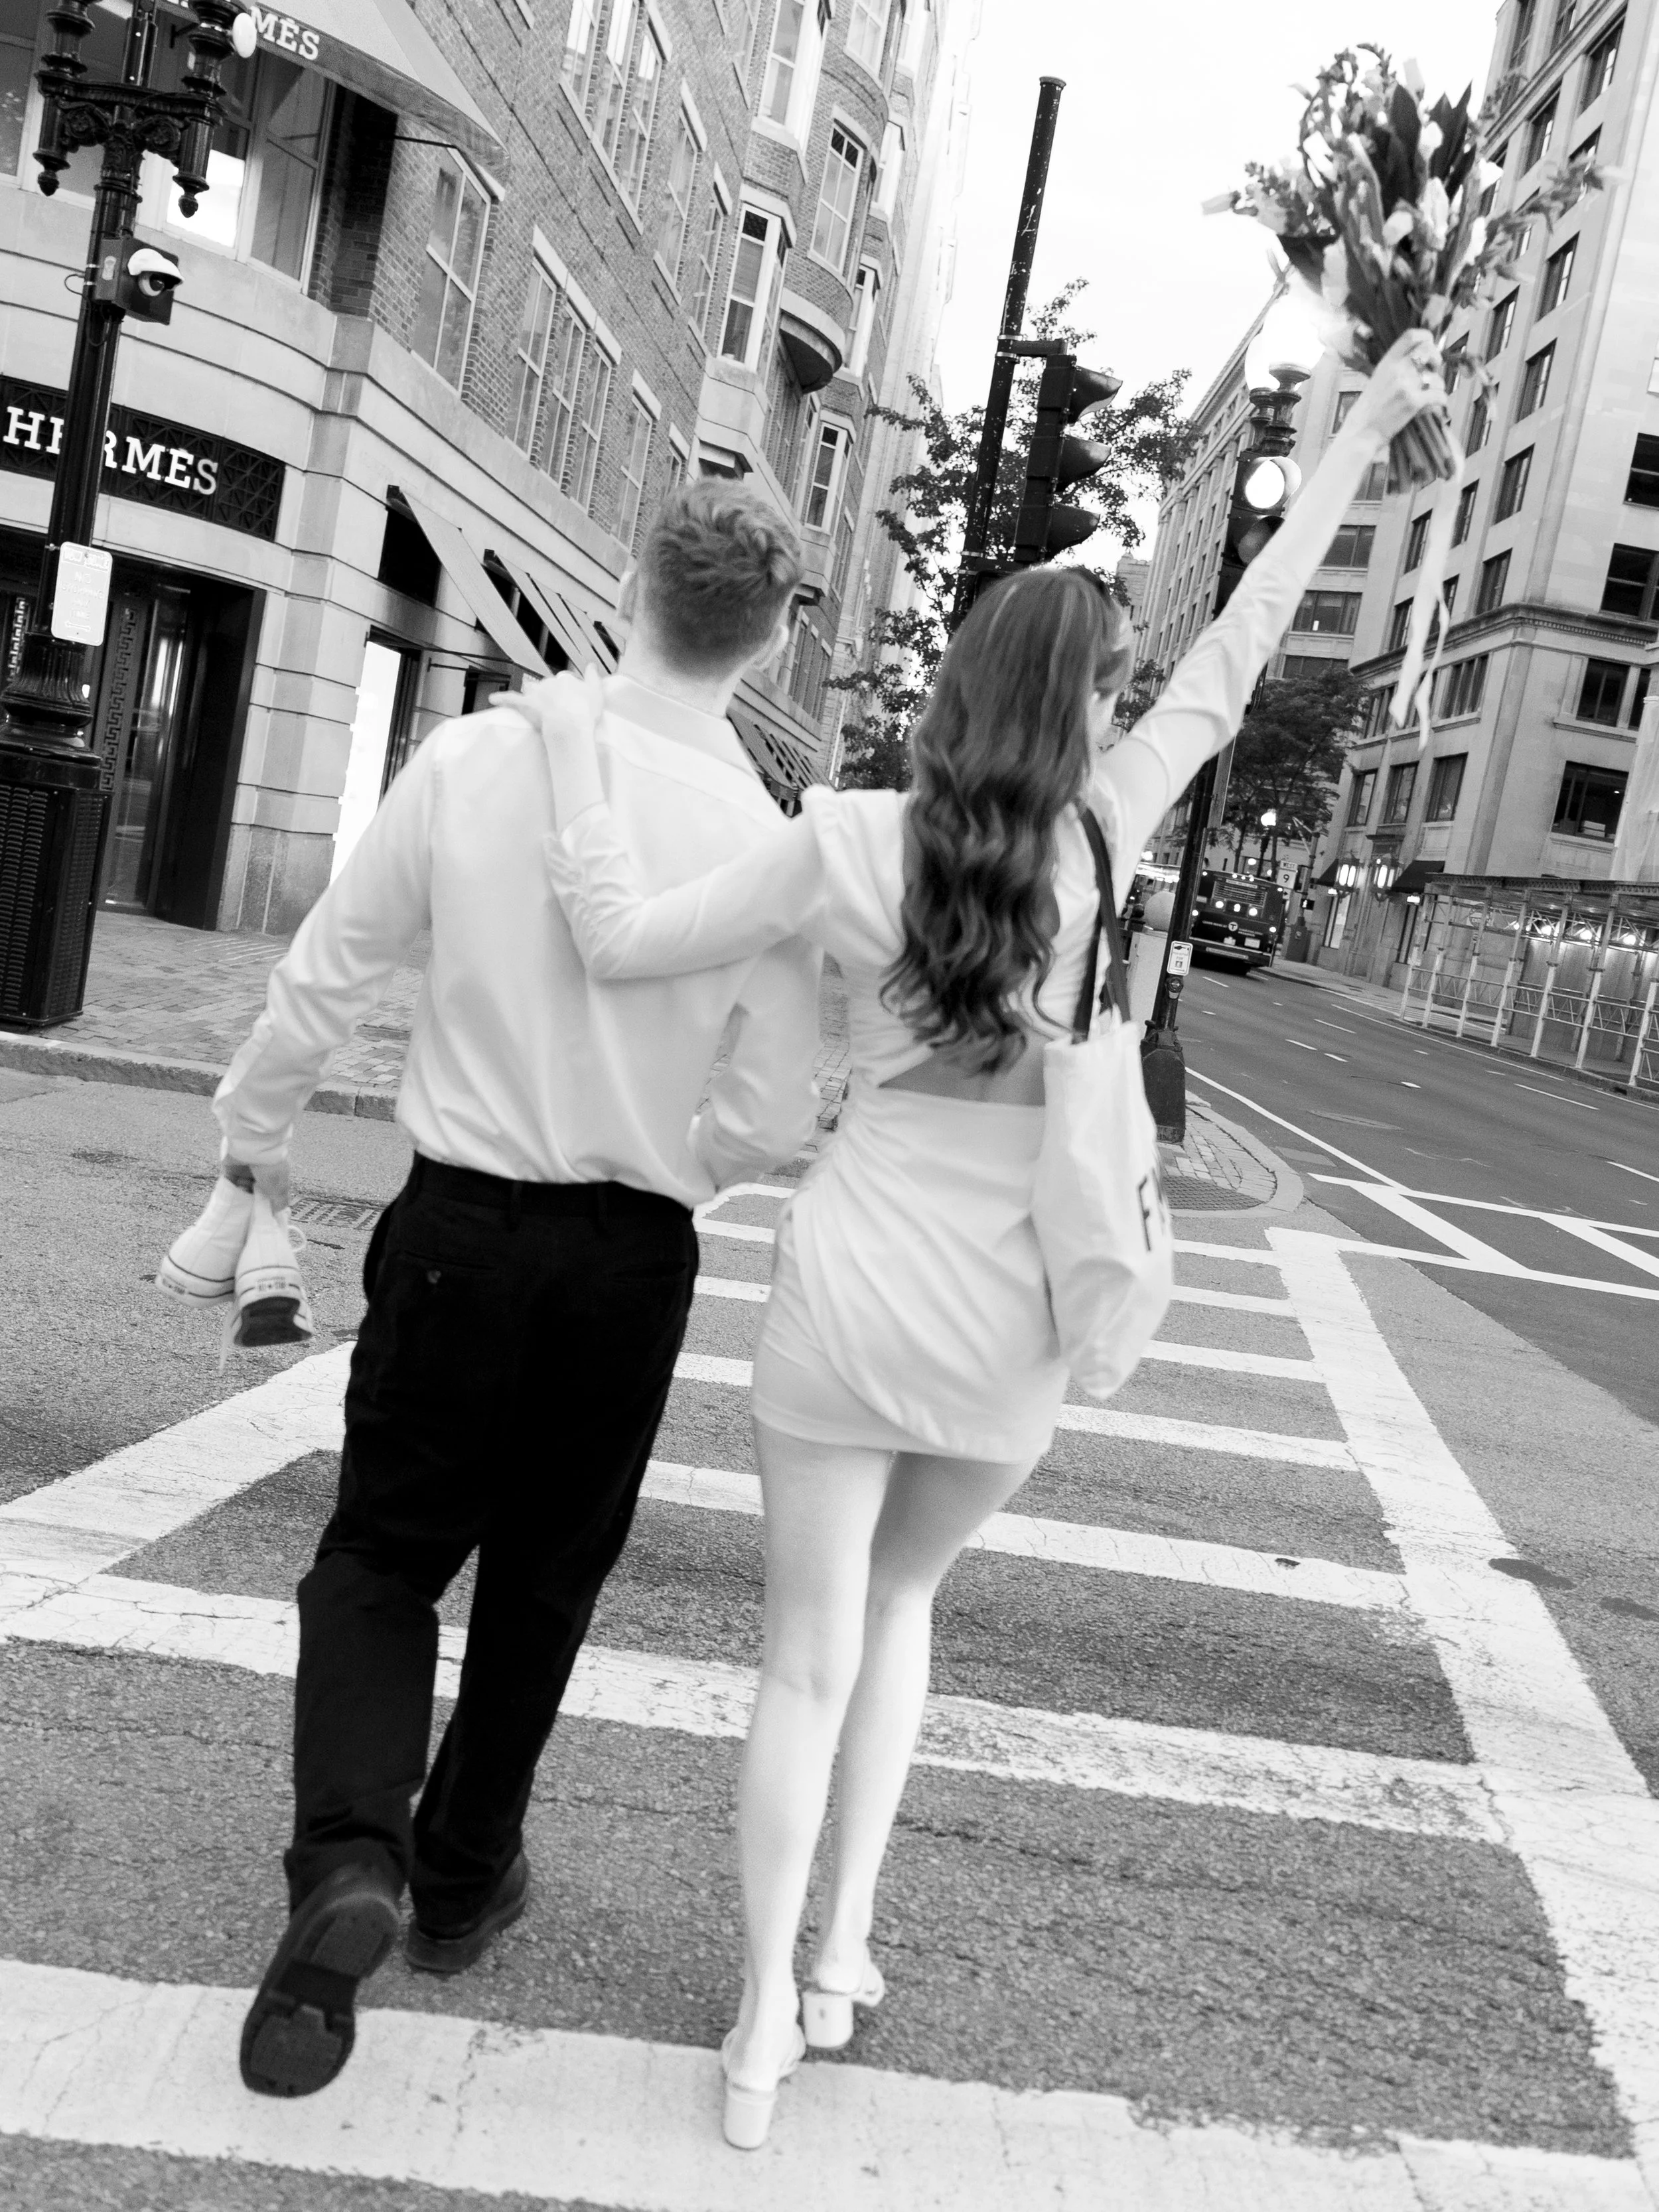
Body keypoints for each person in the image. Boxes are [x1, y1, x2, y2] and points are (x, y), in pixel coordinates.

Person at [516, 332, 1448, 2150]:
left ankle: (756, 2017)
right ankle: (847, 1945)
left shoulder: (848, 835)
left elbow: (626, 929)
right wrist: (1352, 433)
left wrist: (570, 745)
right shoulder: (1103, 834)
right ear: (1078, 702)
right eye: (1111, 689)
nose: (1121, 713)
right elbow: (1256, 627)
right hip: (1015, 1300)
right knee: (903, 1608)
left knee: (801, 1654)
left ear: (957, 682)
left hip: (852, 1281)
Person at [173, 480, 825, 2099]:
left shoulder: (479, 756)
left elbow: (326, 972)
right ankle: (462, 1876)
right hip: (630, 1253)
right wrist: (668, 1153)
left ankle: (350, 1857)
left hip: (461, 1217)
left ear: (625, 579)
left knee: (386, 1552)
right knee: (545, 1575)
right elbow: (760, 1114)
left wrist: (249, 1144)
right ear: (772, 639)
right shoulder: (768, 846)